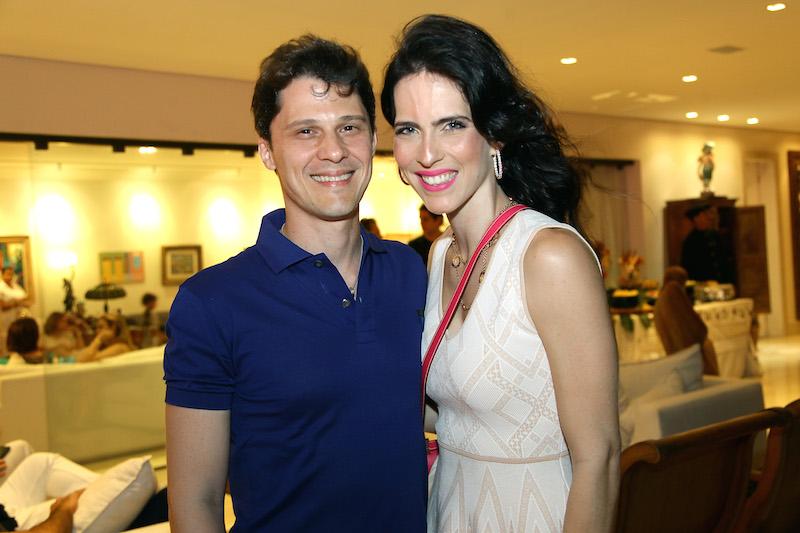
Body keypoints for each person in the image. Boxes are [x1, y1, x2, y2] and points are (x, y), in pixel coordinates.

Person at [164, 35, 427, 532]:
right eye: (306, 131)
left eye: (349, 127)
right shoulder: (212, 302)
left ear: (373, 140)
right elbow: (196, 502)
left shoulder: (411, 272)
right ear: (267, 151)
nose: (334, 151)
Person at [382, 15, 620, 531]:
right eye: (408, 129)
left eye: (452, 124)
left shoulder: (549, 256)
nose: (427, 153)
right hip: (451, 511)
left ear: (494, 136)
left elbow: (598, 457)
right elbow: (463, 405)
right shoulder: (440, 255)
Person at [654, 266, 720, 375]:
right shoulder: (673, 291)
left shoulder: (660, 298)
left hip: (676, 358)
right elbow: (698, 329)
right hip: (691, 357)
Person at [680, 203, 733, 283]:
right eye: (704, 215)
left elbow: (724, 260)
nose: (709, 218)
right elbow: (688, 267)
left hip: (720, 282)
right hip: (702, 283)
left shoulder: (715, 235)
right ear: (696, 218)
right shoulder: (690, 241)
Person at [0, 268, 29, 358]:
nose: (10, 276)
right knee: (8, 338)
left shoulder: (16, 286)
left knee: (21, 337)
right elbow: (3, 306)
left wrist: (18, 302)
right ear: (3, 275)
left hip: (20, 317)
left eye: (11, 274)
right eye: (8, 274)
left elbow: (25, 298)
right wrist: (15, 303)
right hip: (7, 319)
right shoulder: (1, 287)